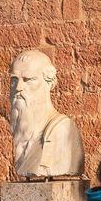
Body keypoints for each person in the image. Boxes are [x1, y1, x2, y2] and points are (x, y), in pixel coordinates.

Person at [8, 49, 84, 177]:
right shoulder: (22, 133)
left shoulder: (62, 130)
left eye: (28, 80)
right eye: (14, 80)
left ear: (50, 83)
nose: (18, 88)